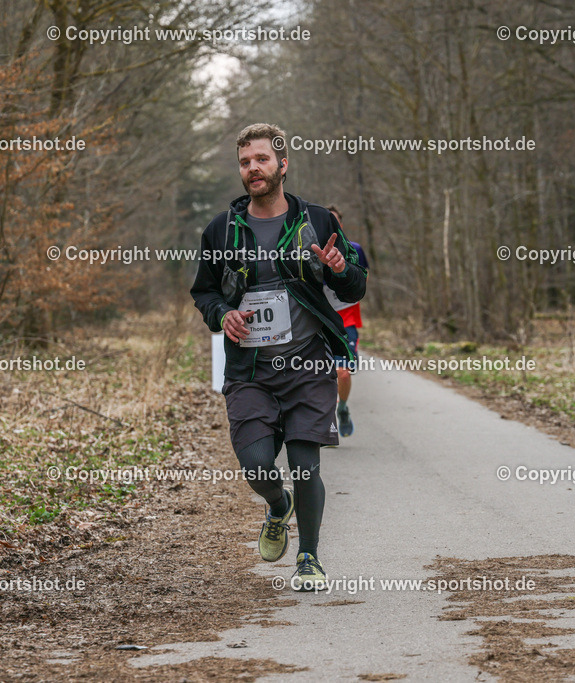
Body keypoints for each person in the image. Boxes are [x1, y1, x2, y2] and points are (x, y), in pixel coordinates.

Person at [191, 123, 367, 591]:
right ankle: (275, 504)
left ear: (282, 165)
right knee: (256, 467)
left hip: (307, 363)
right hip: (250, 371)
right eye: (246, 162)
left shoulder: (317, 221)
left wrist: (341, 268)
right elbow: (204, 294)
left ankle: (308, 557)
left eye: (262, 160)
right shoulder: (221, 230)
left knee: (306, 463)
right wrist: (222, 313)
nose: (254, 169)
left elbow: (354, 286)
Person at [323, 206, 368, 437]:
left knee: (343, 373)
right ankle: (326, 421)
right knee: (319, 375)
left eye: (336, 221)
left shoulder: (355, 249)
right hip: (319, 322)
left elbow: (362, 281)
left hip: (347, 320)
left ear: (341, 225)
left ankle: (341, 408)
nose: (332, 225)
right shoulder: (309, 250)